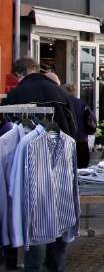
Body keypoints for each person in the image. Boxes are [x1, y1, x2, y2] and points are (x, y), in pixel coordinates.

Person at [3, 58, 77, 271]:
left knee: (32, 215)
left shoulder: (16, 94)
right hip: (60, 159)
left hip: (27, 162)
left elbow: (9, 128)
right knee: (59, 212)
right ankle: (56, 265)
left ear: (19, 74)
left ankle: (30, 263)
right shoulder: (60, 92)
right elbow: (72, 125)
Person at [62, 84, 97, 168]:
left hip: (66, 142)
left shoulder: (62, 104)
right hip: (82, 142)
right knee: (82, 170)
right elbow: (93, 119)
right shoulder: (82, 103)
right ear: (74, 91)